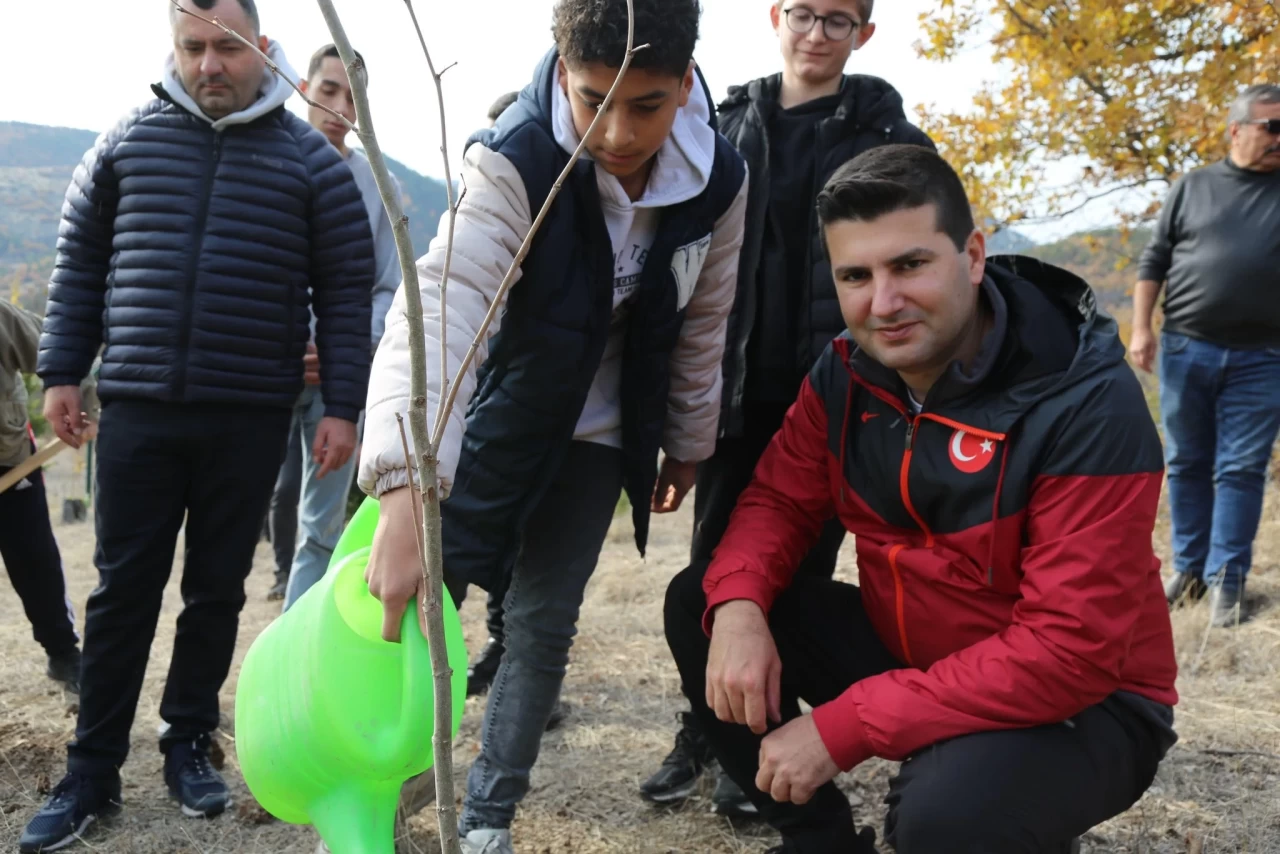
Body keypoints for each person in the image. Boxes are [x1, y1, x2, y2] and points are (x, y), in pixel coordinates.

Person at [664, 144, 1179, 854]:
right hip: (915, 652)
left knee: (946, 819)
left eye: (909, 265)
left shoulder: (1083, 400)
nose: (884, 303)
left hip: (1090, 702)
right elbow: (777, 502)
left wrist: (844, 727)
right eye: (856, 276)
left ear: (971, 255)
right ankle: (820, 843)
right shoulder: (847, 371)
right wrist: (741, 607)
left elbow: (1070, 652)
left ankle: (1001, 804)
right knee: (702, 601)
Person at [357, 0, 748, 849]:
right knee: (429, 597)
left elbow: (704, 316)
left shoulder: (719, 179)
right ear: (561, 69)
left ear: (684, 83)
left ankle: (487, 814)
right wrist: (405, 483)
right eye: (591, 98)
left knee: (542, 622)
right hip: (505, 408)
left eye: (645, 104)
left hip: (604, 432)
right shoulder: (517, 158)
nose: (614, 132)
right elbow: (447, 299)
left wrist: (687, 436)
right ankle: (384, 785)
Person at [21, 0, 374, 849]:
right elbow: (80, 262)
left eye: (227, 47)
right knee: (120, 594)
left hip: (248, 413)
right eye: (193, 48)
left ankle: (188, 744)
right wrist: (63, 371)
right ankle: (91, 770)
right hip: (138, 406)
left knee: (214, 592)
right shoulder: (126, 141)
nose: (209, 65)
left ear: (261, 46)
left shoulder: (309, 164)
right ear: (172, 47)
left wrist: (343, 408)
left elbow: (347, 292)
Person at [641, 0, 935, 815]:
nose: (817, 33)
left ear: (862, 35)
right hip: (736, 393)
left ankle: (766, 756)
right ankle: (705, 732)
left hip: (837, 401)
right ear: (776, 16)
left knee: (797, 576)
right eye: (804, 12)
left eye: (839, 20)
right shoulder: (727, 122)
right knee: (714, 575)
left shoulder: (890, 137)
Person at [1129, 83, 1280, 628]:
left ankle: (1228, 581)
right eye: (1272, 127)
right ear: (1237, 129)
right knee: (1186, 462)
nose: (1279, 139)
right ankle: (1190, 571)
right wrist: (1141, 329)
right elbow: (1155, 260)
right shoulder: (1192, 187)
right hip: (1185, 348)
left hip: (1264, 358)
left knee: (1240, 469)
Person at [269, 44, 403, 610]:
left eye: (354, 97)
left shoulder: (379, 185)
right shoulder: (267, 160)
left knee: (319, 529)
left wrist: (346, 346)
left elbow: (388, 285)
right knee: (227, 519)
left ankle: (295, 657)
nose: (339, 106)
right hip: (257, 372)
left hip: (336, 382)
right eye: (329, 90)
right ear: (303, 88)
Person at [0, 301, 88, 696]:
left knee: (34, 560)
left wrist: (90, 406)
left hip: (10, 463)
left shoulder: (3, 318)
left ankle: (63, 654)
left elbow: (60, 355)